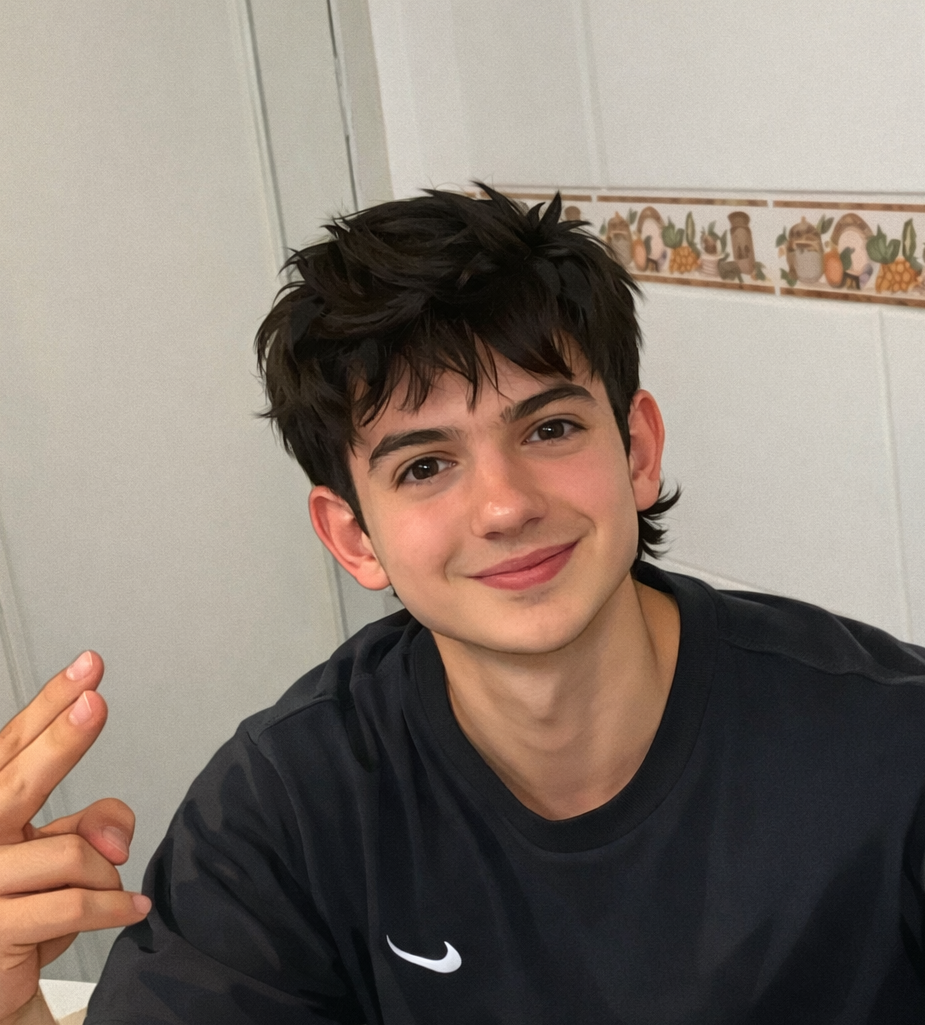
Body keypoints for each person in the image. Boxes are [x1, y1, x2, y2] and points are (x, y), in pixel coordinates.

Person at [3, 186, 925, 1023]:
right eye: (425, 465)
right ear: (353, 536)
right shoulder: (290, 808)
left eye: (551, 427)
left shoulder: (889, 745)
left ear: (638, 450)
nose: (505, 505)